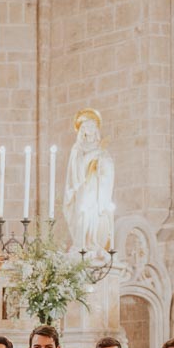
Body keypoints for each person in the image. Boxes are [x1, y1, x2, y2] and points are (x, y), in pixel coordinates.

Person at [63, 107, 115, 254]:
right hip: (83, 186)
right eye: (86, 126)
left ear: (96, 128)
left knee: (95, 215)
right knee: (82, 212)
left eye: (92, 125)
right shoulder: (77, 148)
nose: (89, 128)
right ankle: (81, 244)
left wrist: (102, 168)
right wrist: (93, 154)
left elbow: (108, 168)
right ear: (81, 130)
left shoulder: (101, 148)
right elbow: (77, 169)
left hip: (97, 187)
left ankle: (93, 242)